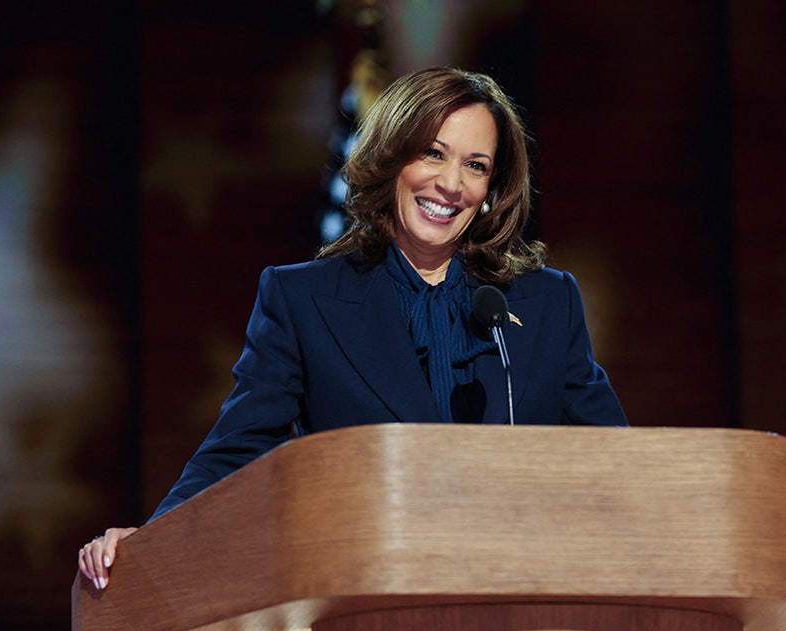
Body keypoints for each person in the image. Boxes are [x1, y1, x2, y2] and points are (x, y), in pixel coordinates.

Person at [78, 67, 627, 590]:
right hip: (369, 600)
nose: (451, 183)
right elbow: (237, 448)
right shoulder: (304, 300)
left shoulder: (546, 302)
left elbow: (619, 461)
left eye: (476, 165)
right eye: (432, 153)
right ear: (392, 160)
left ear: (491, 191)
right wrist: (150, 541)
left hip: (521, 596)